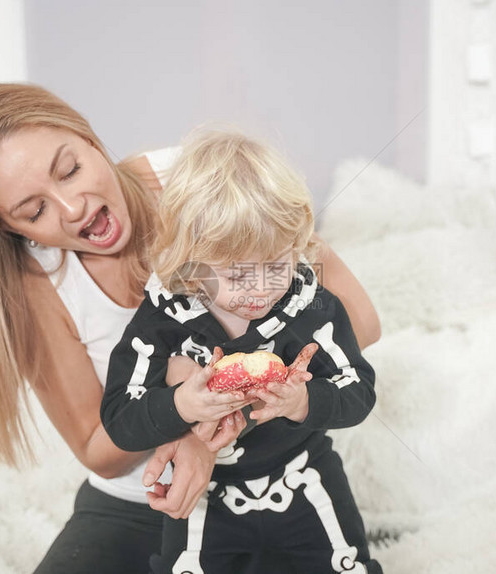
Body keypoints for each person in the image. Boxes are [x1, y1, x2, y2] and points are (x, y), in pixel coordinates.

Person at [0, 83, 381, 573]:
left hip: (267, 472)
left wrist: (210, 434)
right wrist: (184, 407)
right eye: (34, 210)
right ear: (9, 229)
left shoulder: (196, 179)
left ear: (91, 140)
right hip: (142, 497)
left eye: (70, 169)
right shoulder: (35, 286)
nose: (72, 207)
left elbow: (355, 318)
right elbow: (99, 450)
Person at [102, 130, 383, 573]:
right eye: (236, 276)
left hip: (303, 478)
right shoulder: (161, 321)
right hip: (207, 496)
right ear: (191, 263)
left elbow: (359, 391)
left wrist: (304, 401)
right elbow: (120, 419)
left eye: (277, 265)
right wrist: (182, 403)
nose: (261, 289)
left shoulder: (312, 306)